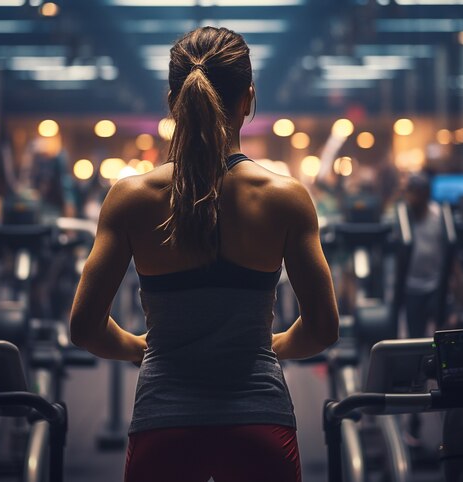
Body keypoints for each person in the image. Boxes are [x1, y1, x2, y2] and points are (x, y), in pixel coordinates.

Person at [70, 26, 339, 482]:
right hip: (260, 422)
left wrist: (141, 348)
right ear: (247, 99)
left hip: (164, 424)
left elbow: (85, 328)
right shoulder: (285, 197)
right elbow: (322, 328)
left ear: (173, 99)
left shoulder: (130, 197)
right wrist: (266, 349)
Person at [403, 172, 446, 338]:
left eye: (417, 192)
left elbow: (448, 249)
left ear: (426, 193)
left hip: (435, 284)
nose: (412, 197)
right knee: (415, 335)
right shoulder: (404, 216)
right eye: (410, 191)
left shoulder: (438, 215)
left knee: (441, 332)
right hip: (412, 286)